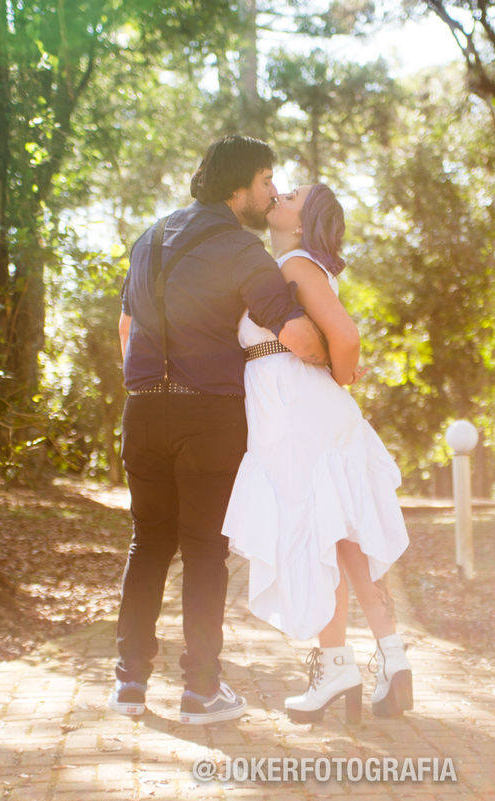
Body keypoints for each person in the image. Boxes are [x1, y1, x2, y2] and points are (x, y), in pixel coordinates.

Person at [109, 136, 329, 725]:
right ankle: (201, 691)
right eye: (266, 181)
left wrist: (148, 383)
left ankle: (129, 684)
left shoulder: (148, 238)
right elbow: (295, 333)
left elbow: (126, 330)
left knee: (148, 542)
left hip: (143, 412)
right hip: (209, 416)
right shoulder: (241, 248)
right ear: (238, 187)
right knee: (205, 551)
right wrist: (332, 368)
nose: (273, 192)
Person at [223, 183, 412, 724]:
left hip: (295, 406)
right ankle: (391, 658)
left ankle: (336, 667)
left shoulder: (298, 263)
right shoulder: (293, 263)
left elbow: (346, 338)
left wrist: (340, 376)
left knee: (314, 529)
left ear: (302, 224)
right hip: (297, 401)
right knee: (342, 536)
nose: (277, 195)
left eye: (290, 196)